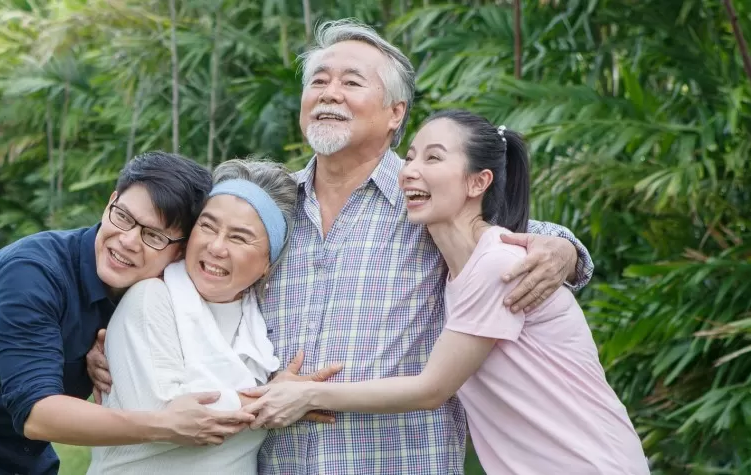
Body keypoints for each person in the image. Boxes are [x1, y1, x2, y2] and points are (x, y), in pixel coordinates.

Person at [89, 19, 599, 473]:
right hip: (277, 461)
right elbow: (181, 266)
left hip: (397, 459)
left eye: (351, 82)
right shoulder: (269, 209)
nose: (329, 93)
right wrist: (114, 344)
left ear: (395, 113)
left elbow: (511, 235)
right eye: (318, 81)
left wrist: (565, 251)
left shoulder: (425, 200)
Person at [238, 110, 650, 474]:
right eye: (411, 157)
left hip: (588, 462)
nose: (409, 170)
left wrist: (306, 392)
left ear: (478, 182)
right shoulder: (459, 273)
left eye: (433, 158)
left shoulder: (499, 265)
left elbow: (432, 388)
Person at [0, 151, 257, 475]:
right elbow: (37, 415)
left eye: (153, 235)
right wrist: (166, 425)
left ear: (179, 250)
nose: (127, 241)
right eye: (123, 217)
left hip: (17, 452)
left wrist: (282, 391)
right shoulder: (32, 274)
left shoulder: (150, 293)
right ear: (110, 202)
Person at [86, 160, 344, 475]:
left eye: (239, 238)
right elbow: (168, 416)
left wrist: (286, 396)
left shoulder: (259, 327)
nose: (216, 247)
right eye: (207, 226)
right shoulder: (152, 298)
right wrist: (276, 399)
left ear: (267, 262)